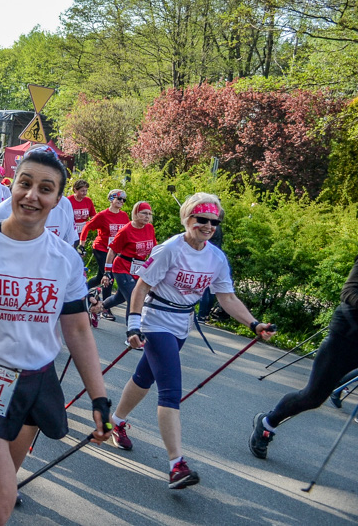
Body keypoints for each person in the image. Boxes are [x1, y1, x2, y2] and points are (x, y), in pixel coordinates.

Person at [0, 147, 111, 526]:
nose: (32, 196)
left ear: (57, 200)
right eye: (25, 184)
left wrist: (99, 398)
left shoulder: (65, 258)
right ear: (11, 187)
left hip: (35, 383)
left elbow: (78, 329)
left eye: (45, 189)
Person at [110, 193, 275, 489]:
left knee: (144, 377)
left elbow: (226, 297)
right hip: (156, 320)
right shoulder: (170, 249)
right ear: (187, 219)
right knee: (170, 391)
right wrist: (133, 324)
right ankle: (177, 465)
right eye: (202, 219)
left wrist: (254, 323)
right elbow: (141, 286)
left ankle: (117, 421)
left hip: (181, 324)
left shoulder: (216, 258)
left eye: (214, 221)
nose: (208, 226)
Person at [249, 253, 358, 460]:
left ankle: (339, 386)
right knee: (313, 397)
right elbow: (348, 292)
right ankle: (267, 423)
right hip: (346, 336)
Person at [100, 201, 156, 321]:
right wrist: (107, 272)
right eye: (144, 213)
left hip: (138, 269)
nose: (147, 216)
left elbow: (154, 249)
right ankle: (132, 329)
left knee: (119, 298)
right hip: (122, 267)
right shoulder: (126, 230)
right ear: (136, 213)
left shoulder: (150, 228)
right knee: (133, 297)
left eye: (149, 214)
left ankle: (98, 307)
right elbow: (112, 251)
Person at [81, 189, 129, 299]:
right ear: (111, 199)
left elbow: (127, 232)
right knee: (108, 275)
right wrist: (82, 244)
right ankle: (106, 305)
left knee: (99, 278)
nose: (122, 201)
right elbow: (87, 227)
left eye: (124, 200)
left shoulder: (124, 216)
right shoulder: (103, 215)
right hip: (101, 249)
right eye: (119, 198)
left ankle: (81, 289)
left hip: (114, 251)